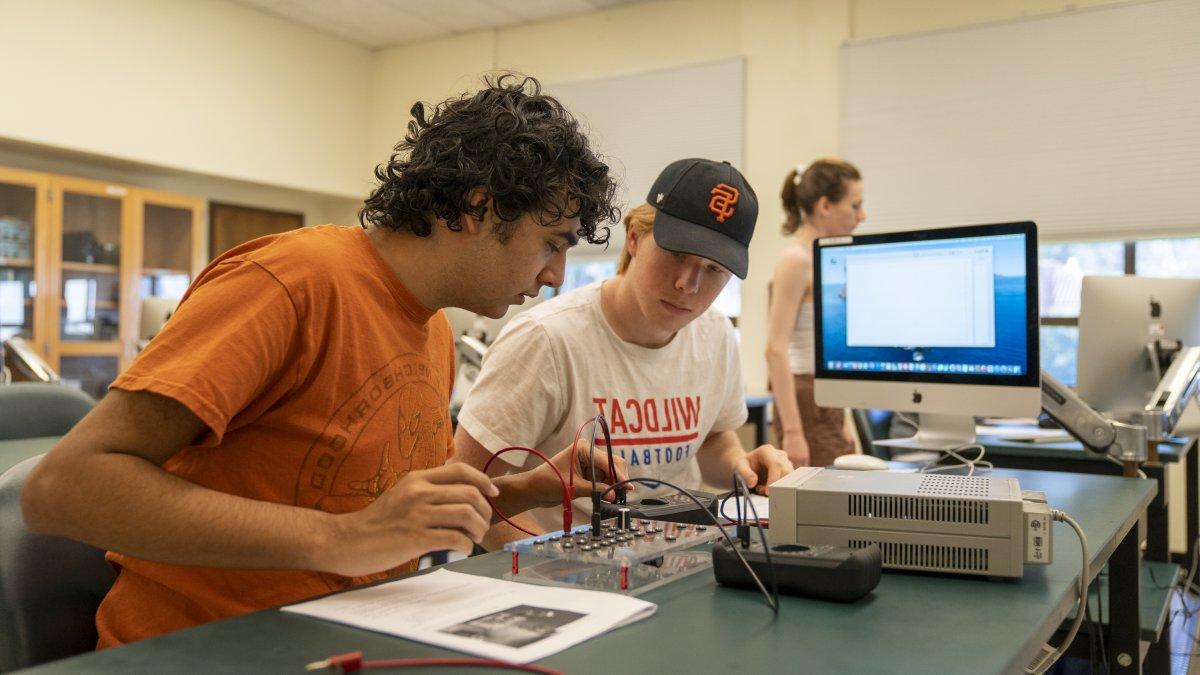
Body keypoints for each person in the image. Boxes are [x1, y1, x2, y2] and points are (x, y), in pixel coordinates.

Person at [19, 74, 629, 646]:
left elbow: (385, 513)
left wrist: (527, 490)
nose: (556, 277)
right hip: (202, 648)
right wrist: (342, 540)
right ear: (477, 207)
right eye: (552, 244)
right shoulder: (292, 283)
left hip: (344, 639)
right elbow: (62, 488)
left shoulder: (434, 330)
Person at [453, 158, 793, 541]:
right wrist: (548, 567)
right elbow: (466, 492)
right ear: (634, 237)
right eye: (676, 254)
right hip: (567, 576)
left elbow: (712, 440)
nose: (688, 284)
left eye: (713, 270)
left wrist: (741, 466)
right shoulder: (546, 339)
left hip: (682, 560)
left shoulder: (715, 335)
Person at [765, 158, 866, 468]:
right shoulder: (796, 261)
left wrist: (844, 416)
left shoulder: (825, 258)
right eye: (855, 205)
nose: (862, 216)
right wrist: (793, 432)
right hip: (805, 399)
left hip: (827, 396)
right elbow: (775, 349)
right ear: (825, 205)